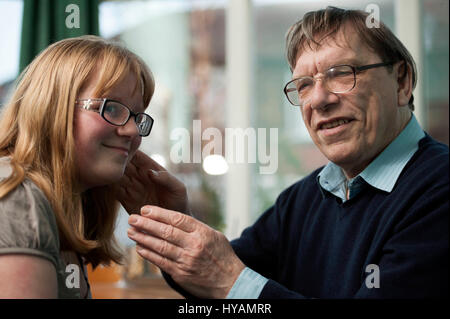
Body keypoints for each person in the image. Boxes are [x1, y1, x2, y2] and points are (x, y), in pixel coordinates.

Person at [121, 7, 448, 298]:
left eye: (341, 73)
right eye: (304, 84)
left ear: (402, 82)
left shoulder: (439, 191)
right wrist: (173, 223)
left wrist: (228, 280)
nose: (318, 99)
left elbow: (230, 280)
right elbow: (222, 275)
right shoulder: (304, 198)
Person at [0, 35, 156, 298]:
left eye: (137, 116)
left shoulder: (64, 205)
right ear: (52, 108)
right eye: (113, 108)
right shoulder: (16, 197)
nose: (131, 130)